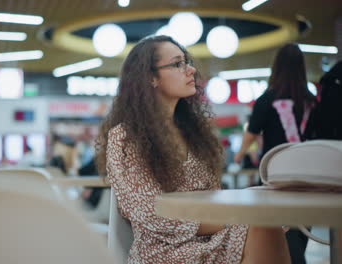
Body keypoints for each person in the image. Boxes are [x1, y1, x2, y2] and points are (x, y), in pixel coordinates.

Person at [96, 35, 290, 264]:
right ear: (150, 77)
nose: (190, 70)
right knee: (263, 226)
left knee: (266, 226)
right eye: (177, 64)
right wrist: (235, 217)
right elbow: (148, 213)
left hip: (211, 238)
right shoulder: (126, 137)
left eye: (186, 62)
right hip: (162, 250)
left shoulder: (195, 133)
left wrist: (239, 214)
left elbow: (212, 196)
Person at [234, 43, 317, 264]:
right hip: (310, 172)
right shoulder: (311, 100)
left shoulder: (267, 98)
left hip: (276, 172)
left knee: (284, 225)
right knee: (302, 226)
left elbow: (252, 132)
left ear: (276, 66)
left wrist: (239, 154)